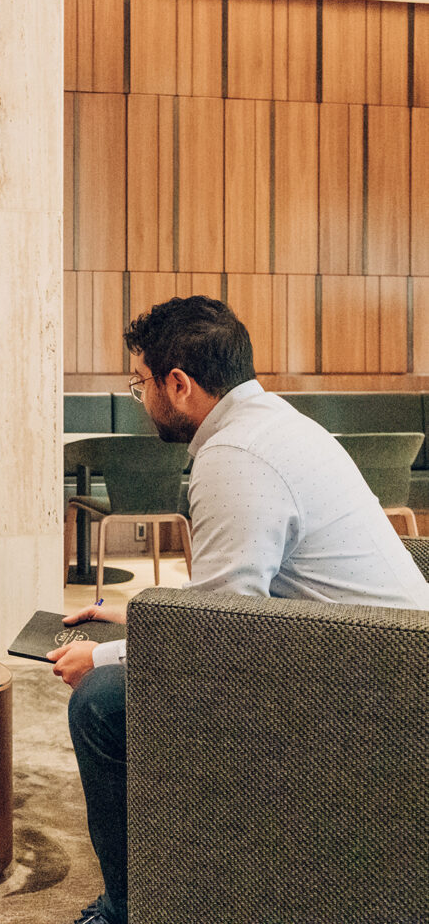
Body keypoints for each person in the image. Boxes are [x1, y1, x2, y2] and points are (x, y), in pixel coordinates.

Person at [48, 295, 429, 924]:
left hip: (372, 690)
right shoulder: (277, 423)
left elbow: (225, 630)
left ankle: (128, 909)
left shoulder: (234, 458)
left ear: (180, 384)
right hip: (380, 655)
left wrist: (104, 657)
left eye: (140, 383)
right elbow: (245, 597)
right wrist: (147, 616)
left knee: (101, 703)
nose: (140, 398)